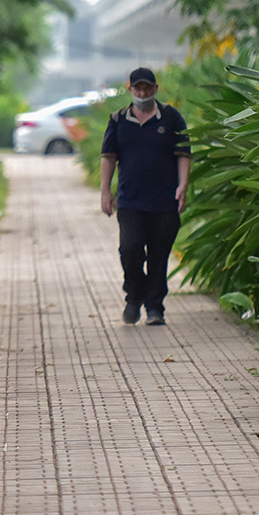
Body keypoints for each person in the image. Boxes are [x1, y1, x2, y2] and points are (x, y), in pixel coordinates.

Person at [99, 67, 191, 326]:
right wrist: (105, 191)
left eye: (147, 88)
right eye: (138, 88)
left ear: (155, 89)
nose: (142, 93)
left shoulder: (171, 118)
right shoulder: (118, 121)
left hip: (164, 201)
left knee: (159, 255)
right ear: (130, 89)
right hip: (130, 201)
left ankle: (154, 308)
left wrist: (183, 185)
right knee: (130, 250)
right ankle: (133, 297)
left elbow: (184, 154)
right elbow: (109, 157)